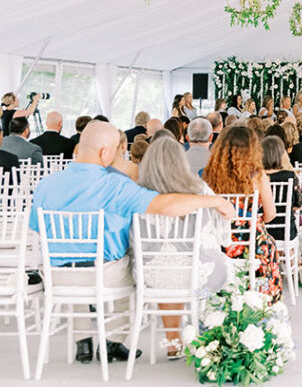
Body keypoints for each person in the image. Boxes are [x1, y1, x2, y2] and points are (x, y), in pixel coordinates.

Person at [29, 120, 234, 363]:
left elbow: (35, 228)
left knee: (72, 260)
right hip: (103, 275)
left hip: (56, 277)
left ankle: (83, 342)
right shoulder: (116, 186)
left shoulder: (46, 185)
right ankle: (113, 341)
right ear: (106, 152)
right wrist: (215, 201)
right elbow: (166, 205)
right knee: (125, 263)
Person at [136, 136, 232, 357]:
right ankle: (212, 336)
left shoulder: (137, 193)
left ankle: (174, 342)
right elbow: (223, 234)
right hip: (196, 278)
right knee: (222, 269)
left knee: (166, 264)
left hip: (150, 278)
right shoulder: (200, 190)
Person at [202, 126, 283, 304]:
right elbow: (270, 214)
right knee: (268, 244)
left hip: (219, 242)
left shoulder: (208, 175)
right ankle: (265, 300)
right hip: (251, 242)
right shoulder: (258, 177)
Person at [260, 136, 300, 243]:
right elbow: (297, 204)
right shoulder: (290, 176)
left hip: (263, 231)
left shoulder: (258, 178)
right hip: (286, 231)